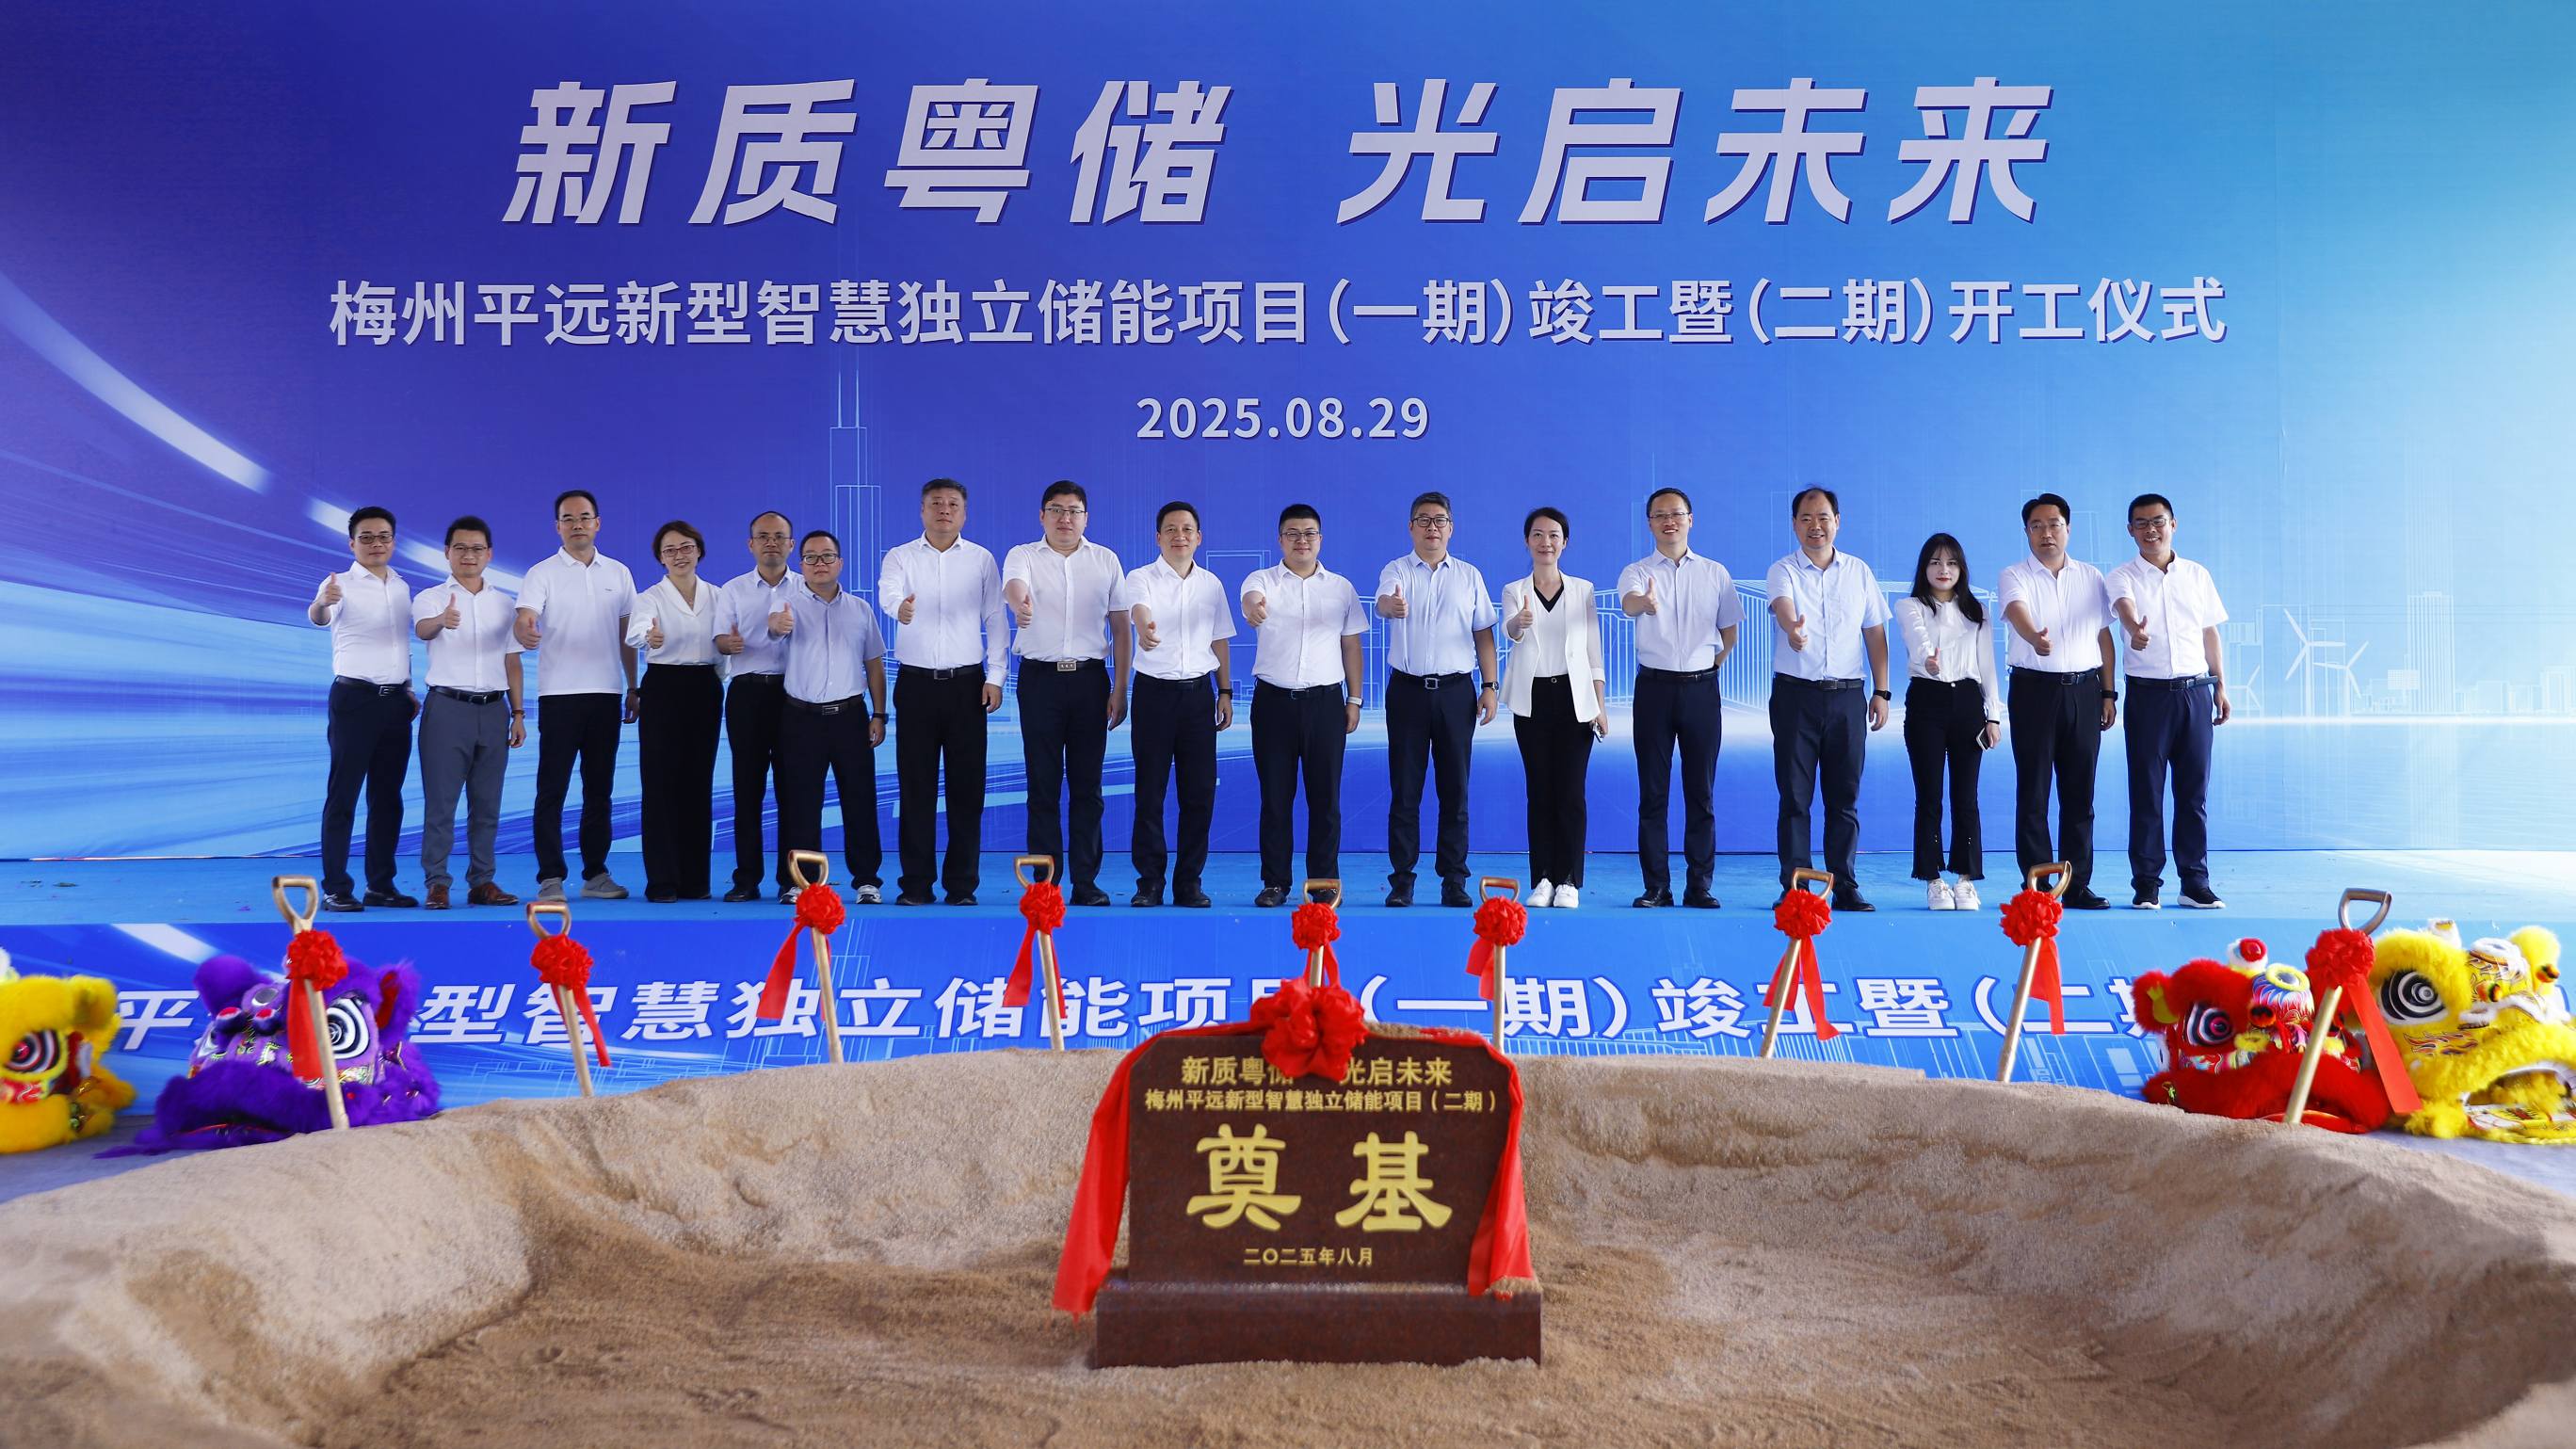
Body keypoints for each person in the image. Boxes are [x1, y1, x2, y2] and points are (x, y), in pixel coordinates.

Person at [1002, 481, 1132, 907]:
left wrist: (1120, 687)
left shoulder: (1106, 560)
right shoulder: (1023, 555)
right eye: (1056, 510)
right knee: (1042, 784)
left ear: (1086, 518)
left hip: (1090, 682)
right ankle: (1046, 882)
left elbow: (1120, 628)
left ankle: (1086, 882)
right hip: (1039, 681)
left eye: (1074, 511)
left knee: (1087, 786)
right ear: (1042, 516)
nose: (1065, 518)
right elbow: (1014, 586)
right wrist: (1020, 604)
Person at [877, 478, 1006, 906]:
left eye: (953, 504)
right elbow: (888, 593)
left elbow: (995, 617)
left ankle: (962, 885)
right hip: (915, 685)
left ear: (964, 513)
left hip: (968, 687)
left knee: (967, 790)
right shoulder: (900, 557)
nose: (944, 510)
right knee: (916, 788)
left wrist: (996, 675)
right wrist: (900, 608)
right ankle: (916, 885)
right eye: (936, 503)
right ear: (922, 510)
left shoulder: (981, 560)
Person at [1764, 487, 1892, 911]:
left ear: (1838, 521)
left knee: (1844, 798)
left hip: (1847, 698)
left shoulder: (1859, 572)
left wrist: (1882, 691)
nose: (1815, 526)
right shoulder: (1783, 569)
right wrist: (1793, 629)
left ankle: (1845, 884)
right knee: (1795, 797)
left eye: (1823, 517)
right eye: (1805, 518)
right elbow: (1783, 605)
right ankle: (1797, 885)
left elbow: (1874, 633)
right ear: (1794, 524)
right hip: (1795, 697)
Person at [1374, 491, 1500, 909]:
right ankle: (1402, 880)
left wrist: (1490, 686)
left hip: (1456, 693)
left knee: (1455, 790)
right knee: (1405, 790)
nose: (1432, 528)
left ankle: (1454, 879)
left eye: (1439, 520)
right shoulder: (1396, 570)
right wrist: (1391, 606)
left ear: (1451, 528)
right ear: (1411, 527)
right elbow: (1383, 603)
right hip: (1407, 692)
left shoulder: (1469, 576)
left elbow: (1483, 633)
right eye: (1424, 520)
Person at [1618, 487, 1743, 909]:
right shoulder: (1637, 571)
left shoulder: (1715, 573)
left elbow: (1729, 631)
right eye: (1659, 515)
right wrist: (1645, 602)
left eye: (1676, 513)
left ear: (1691, 519)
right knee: (1652, 793)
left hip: (1701, 690)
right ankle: (1656, 886)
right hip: (1654, 690)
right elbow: (1629, 604)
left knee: (1700, 792)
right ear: (1649, 523)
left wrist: (1709, 665)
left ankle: (1699, 885)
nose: (1668, 521)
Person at [515, 490, 639, 902]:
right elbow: (525, 617)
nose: (577, 525)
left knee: (599, 790)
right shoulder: (542, 573)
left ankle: (596, 874)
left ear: (597, 523)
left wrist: (632, 686)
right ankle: (550, 877)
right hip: (559, 695)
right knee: (552, 789)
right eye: (568, 519)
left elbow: (627, 636)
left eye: (584, 517)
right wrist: (525, 629)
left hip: (606, 693)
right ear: (558, 527)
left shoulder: (618, 573)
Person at [1241, 504, 1367, 909]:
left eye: (1309, 533)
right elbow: (1251, 601)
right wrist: (1254, 608)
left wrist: (1354, 698)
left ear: (1320, 539)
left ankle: (1324, 883)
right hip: (1273, 703)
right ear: (1280, 540)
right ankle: (1275, 882)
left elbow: (1351, 645)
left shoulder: (1341, 588)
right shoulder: (1261, 580)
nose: (1301, 541)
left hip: (1325, 704)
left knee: (1325, 799)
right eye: (1292, 534)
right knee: (1275, 798)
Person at [2109, 493, 2231, 910]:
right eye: (2141, 523)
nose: (2151, 530)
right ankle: (2147, 883)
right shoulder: (2122, 576)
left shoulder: (2197, 575)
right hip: (2148, 697)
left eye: (2158, 521)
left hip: (2196, 693)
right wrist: (2134, 628)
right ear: (2130, 530)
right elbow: (2124, 608)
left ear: (2173, 524)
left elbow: (2209, 632)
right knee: (2147, 793)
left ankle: (2194, 882)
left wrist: (2220, 686)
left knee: (2193, 794)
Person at [1998, 492, 2117, 910]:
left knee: (2079, 793)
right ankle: (2038, 883)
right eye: (2037, 526)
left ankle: (2076, 883)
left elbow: (2103, 636)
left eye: (2054, 525)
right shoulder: (2014, 574)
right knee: (2034, 792)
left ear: (2068, 528)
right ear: (2026, 532)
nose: (2046, 533)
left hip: (2085, 691)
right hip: (2034, 691)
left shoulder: (2091, 577)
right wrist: (2034, 636)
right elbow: (2016, 610)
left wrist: (2108, 692)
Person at [768, 529, 889, 904]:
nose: (819, 564)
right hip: (800, 718)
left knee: (860, 799)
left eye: (826, 556)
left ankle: (866, 880)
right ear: (801, 564)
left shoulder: (860, 609)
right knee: (801, 802)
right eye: (810, 557)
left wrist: (879, 714)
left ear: (840, 562)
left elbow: (874, 665)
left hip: (850, 716)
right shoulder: (785, 605)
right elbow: (773, 632)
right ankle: (802, 882)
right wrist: (776, 627)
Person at [1124, 501, 1235, 909]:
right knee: (1149, 792)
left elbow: (1219, 639)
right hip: (1154, 695)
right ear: (1158, 537)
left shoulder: (1211, 584)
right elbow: (1139, 610)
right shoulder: (1140, 577)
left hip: (1198, 697)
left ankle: (1189, 881)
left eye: (1187, 529)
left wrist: (1225, 692)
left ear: (1199, 537)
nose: (1179, 536)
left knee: (1199, 793)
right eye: (1171, 529)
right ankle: (1149, 882)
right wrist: (1144, 627)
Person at [308, 505, 417, 912]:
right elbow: (319, 616)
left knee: (388, 797)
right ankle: (336, 887)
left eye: (383, 536)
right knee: (344, 795)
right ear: (352, 544)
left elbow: (400, 644)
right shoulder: (339, 583)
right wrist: (322, 602)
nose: (376, 544)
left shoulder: (402, 586)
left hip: (396, 702)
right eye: (366, 537)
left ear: (393, 542)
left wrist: (408, 687)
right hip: (354, 700)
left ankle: (381, 885)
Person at [411, 515, 523, 910]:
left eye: (477, 548)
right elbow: (423, 630)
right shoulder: (431, 597)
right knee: (441, 803)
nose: (468, 555)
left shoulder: (505, 603)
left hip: (494, 710)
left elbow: (512, 661)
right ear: (447, 552)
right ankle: (437, 882)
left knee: (487, 803)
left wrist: (518, 713)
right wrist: (442, 621)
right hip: (447, 708)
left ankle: (482, 881)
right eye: (460, 548)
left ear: (489, 554)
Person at [1892, 534, 2004, 912]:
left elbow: (1987, 665)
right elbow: (1918, 638)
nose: (1944, 570)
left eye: (1952, 563)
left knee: (1966, 796)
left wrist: (1993, 715)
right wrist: (1929, 659)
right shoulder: (1909, 606)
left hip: (1969, 702)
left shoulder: (1977, 611)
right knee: (1929, 795)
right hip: (1927, 700)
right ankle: (1933, 879)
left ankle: (1966, 880)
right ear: (1924, 567)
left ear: (1962, 569)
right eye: (1936, 562)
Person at [1504, 507, 1607, 909]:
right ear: (1526, 541)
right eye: (1537, 534)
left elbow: (1593, 650)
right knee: (1540, 791)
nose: (1545, 542)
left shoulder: (1583, 590)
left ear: (1565, 542)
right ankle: (1543, 878)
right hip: (1531, 700)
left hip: (1574, 698)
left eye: (1553, 535)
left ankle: (1568, 880)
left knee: (1571, 792)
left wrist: (1599, 704)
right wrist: (1519, 622)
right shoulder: (1515, 589)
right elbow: (1511, 631)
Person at [626, 521, 724, 902]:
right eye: (670, 550)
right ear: (660, 558)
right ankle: (662, 880)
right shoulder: (650, 597)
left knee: (698, 782)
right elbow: (636, 632)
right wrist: (648, 637)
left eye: (686, 547)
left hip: (705, 687)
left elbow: (725, 643)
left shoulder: (718, 595)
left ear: (699, 551)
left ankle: (696, 879)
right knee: (660, 783)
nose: (679, 555)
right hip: (663, 686)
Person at [712, 510, 798, 903]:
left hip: (794, 696)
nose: (771, 543)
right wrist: (726, 645)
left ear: (791, 544)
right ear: (750, 545)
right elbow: (719, 638)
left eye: (779, 536)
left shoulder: (806, 587)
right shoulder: (733, 589)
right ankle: (746, 878)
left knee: (791, 789)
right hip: (747, 694)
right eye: (763, 536)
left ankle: (790, 878)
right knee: (747, 789)